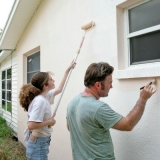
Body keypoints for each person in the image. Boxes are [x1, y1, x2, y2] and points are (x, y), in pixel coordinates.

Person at [66, 62, 156, 160]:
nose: (111, 86)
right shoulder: (98, 108)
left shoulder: (72, 103)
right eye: (110, 83)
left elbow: (70, 127)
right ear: (98, 85)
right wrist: (143, 99)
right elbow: (128, 124)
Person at [19, 61, 76, 160]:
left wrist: (68, 69)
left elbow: (59, 89)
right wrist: (49, 121)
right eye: (51, 79)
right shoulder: (40, 101)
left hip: (40, 143)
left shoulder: (45, 96)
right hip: (38, 144)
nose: (53, 80)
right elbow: (31, 125)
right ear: (45, 86)